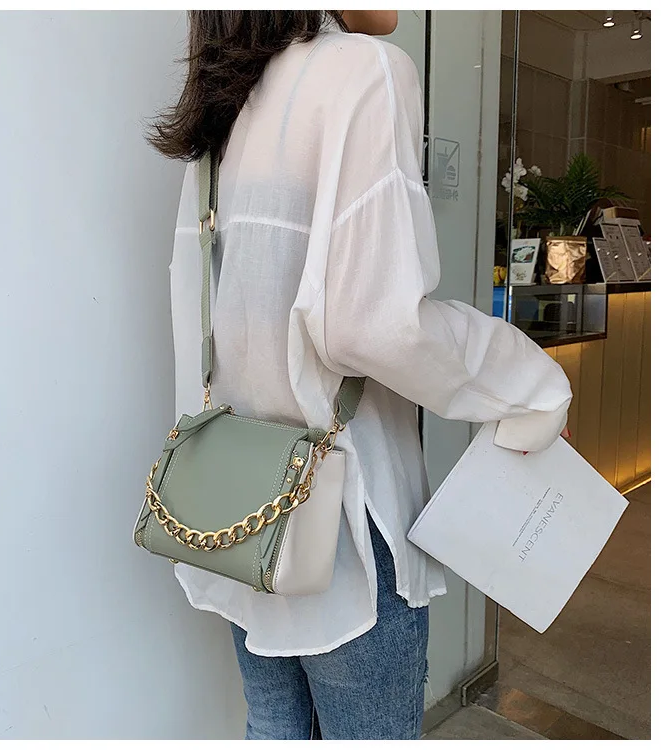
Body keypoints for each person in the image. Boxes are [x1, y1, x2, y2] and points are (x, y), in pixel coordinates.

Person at [148, 10, 572, 741]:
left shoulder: (226, 94)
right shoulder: (366, 71)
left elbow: (207, 309)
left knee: (275, 725)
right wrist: (525, 380)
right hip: (341, 513)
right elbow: (373, 323)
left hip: (238, 507)